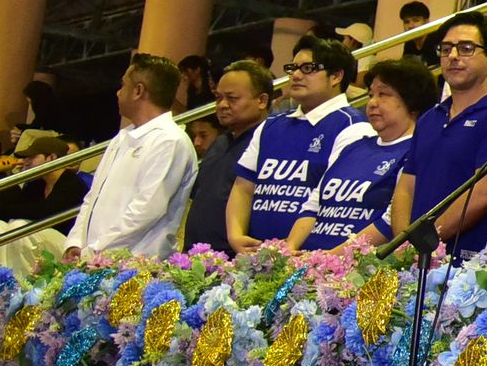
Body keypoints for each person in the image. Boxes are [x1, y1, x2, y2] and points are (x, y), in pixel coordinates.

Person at [392, 10, 487, 258]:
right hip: (415, 259)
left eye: (466, 48)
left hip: (470, 266)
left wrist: (425, 242)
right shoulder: (429, 119)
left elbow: (485, 194)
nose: (453, 56)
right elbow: (405, 188)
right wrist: (402, 246)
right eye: (446, 49)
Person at [229, 37, 361, 251]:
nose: (296, 75)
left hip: (314, 259)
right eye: (293, 68)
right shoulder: (271, 124)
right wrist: (236, 236)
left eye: (308, 68)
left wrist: (291, 249)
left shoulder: (353, 126)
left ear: (336, 76)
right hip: (257, 255)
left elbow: (337, 202)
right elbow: (243, 187)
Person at [289, 58, 430, 254]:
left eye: (383, 95)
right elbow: (312, 206)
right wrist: (290, 250)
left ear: (412, 101)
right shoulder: (353, 146)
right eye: (371, 95)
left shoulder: (417, 151)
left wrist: (330, 257)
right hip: (311, 259)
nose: (372, 103)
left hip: (359, 265)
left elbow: (391, 221)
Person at [66, 54, 197, 258]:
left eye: (123, 85)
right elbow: (93, 197)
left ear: (138, 91)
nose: (118, 93)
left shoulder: (170, 141)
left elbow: (146, 211)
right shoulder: (121, 138)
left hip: (136, 263)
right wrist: (75, 242)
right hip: (94, 258)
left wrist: (94, 250)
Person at [181, 61, 272, 253]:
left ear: (262, 100)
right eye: (218, 98)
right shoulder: (220, 142)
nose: (222, 105)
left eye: (232, 98)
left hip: (237, 257)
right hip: (195, 254)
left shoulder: (272, 143)